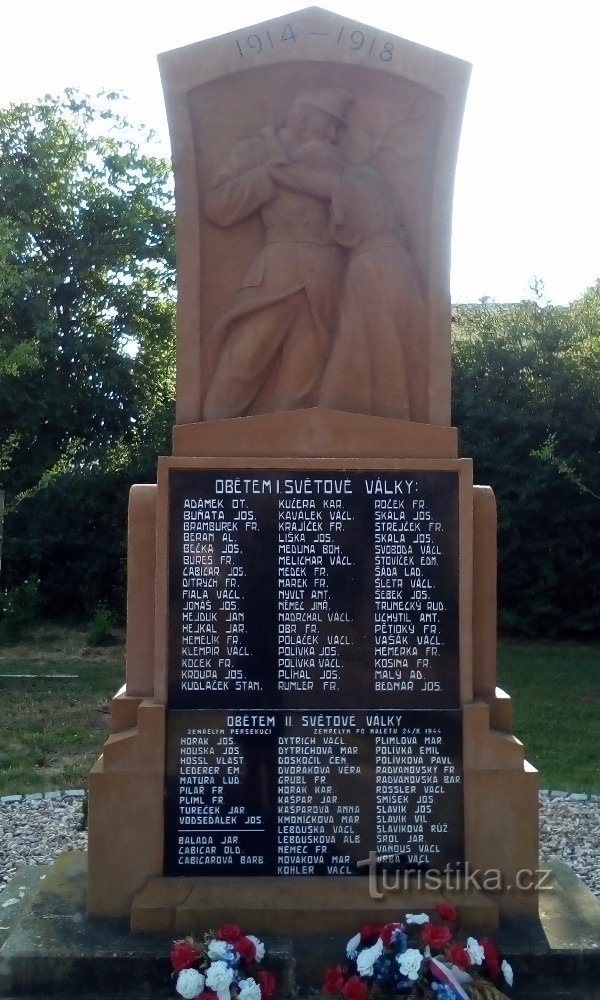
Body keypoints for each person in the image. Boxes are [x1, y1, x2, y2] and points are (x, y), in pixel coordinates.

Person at [202, 88, 353, 421]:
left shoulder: (334, 161)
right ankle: (211, 456)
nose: (332, 136)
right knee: (239, 369)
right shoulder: (257, 151)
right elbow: (218, 207)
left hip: (324, 283)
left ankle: (288, 468)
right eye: (327, 125)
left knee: (302, 390)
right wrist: (269, 175)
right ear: (301, 119)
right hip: (275, 277)